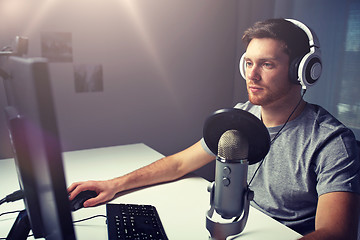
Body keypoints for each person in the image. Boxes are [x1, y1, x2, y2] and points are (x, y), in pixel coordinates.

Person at [68, 18, 360, 239]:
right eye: (248, 63)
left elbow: (336, 234)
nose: (252, 75)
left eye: (267, 64)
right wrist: (114, 185)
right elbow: (180, 163)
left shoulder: (332, 142)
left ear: (302, 69)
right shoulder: (239, 118)